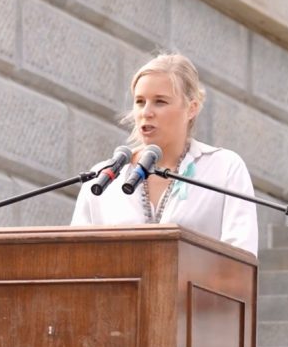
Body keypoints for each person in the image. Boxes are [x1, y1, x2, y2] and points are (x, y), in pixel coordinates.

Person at [71, 53, 258, 256]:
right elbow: (77, 257)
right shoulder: (103, 178)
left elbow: (241, 257)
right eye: (140, 102)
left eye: (160, 102)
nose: (146, 112)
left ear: (191, 109)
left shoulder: (224, 168)